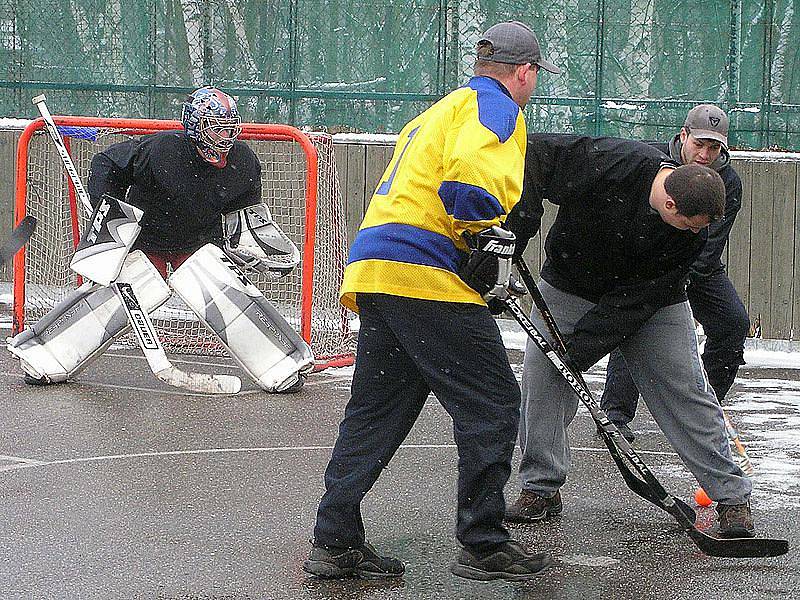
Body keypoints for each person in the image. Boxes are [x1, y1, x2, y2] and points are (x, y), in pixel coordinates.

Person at [303, 22, 559, 582]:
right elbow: (469, 183)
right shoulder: (496, 107)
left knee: (377, 411)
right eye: (535, 75)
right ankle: (484, 543)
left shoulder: (440, 108)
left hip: (377, 267)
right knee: (493, 403)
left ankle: (334, 539)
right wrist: (483, 238)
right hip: (424, 272)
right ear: (524, 72)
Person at [503, 133, 756, 539]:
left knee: (684, 390)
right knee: (543, 377)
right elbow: (535, 154)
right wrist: (522, 221)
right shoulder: (614, 161)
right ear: (670, 204)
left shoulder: (697, 231)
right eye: (689, 226)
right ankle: (541, 488)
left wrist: (580, 349)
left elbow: (638, 301)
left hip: (651, 300)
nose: (695, 235)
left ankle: (730, 496)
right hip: (569, 283)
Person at [10, 86, 313, 393]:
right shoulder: (162, 149)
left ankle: (282, 364)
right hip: (146, 239)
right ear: (196, 126)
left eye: (229, 128)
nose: (224, 137)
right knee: (120, 294)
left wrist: (247, 247)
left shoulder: (244, 163)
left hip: (197, 242)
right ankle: (44, 357)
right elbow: (106, 163)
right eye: (216, 127)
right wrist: (108, 214)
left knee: (224, 291)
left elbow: (244, 216)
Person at [600, 104, 748, 443]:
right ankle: (615, 415)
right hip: (644, 264)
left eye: (714, 148)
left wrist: (683, 279)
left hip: (697, 266)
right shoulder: (649, 161)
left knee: (733, 323)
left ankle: (702, 415)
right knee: (635, 317)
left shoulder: (728, 182)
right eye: (699, 144)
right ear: (683, 136)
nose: (705, 154)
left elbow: (710, 243)